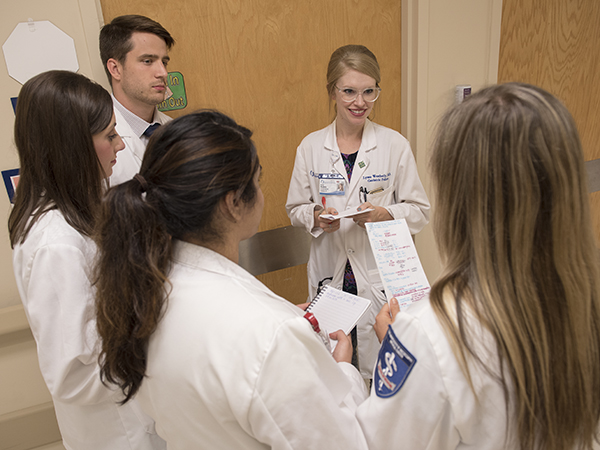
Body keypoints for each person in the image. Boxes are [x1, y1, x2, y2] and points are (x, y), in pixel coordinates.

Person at [94, 110, 369, 449]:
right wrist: (343, 371)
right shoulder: (269, 334)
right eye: (257, 180)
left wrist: (284, 327)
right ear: (234, 203)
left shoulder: (144, 291)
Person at [357, 83, 600, 450]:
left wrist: (381, 355)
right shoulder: (588, 300)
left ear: (458, 198)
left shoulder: (430, 332)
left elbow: (382, 442)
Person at [9, 70, 166, 449]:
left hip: (134, 417)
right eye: (110, 135)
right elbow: (73, 375)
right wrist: (160, 342)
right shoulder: (57, 244)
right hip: (119, 432)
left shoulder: (77, 215)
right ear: (73, 145)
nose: (121, 146)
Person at [285, 44, 430, 378]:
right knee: (336, 368)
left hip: (377, 278)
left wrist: (384, 215)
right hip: (331, 275)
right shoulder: (310, 147)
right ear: (332, 92)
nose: (359, 102)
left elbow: (420, 211)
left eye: (369, 92)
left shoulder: (394, 145)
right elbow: (295, 207)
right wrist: (316, 218)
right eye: (349, 91)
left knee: (384, 371)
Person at [99, 14, 175, 185]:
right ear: (115, 69)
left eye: (164, 62)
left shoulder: (176, 130)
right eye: (148, 61)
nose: (163, 73)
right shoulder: (94, 143)